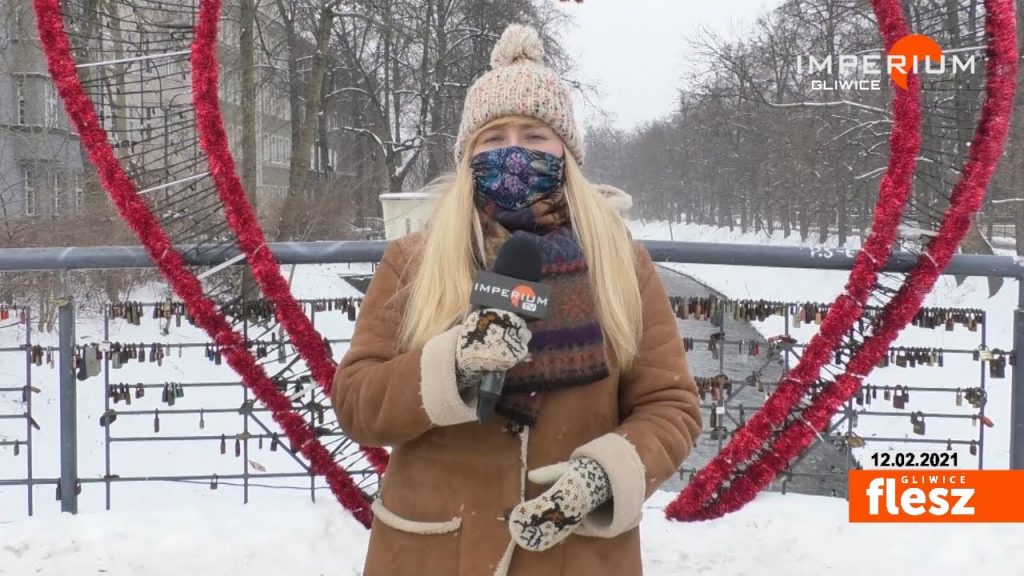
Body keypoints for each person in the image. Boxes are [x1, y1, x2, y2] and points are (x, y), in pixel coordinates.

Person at [332, 23, 701, 576]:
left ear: (566, 152)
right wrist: (452, 363)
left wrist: (605, 475)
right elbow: (358, 403)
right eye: (493, 138)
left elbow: (671, 408)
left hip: (575, 556)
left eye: (534, 135)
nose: (513, 152)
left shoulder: (623, 265)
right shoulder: (414, 260)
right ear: (468, 154)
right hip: (431, 553)